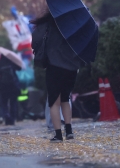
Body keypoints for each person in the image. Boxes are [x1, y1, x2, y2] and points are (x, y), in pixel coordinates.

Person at [30, 9, 84, 142]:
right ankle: (69, 131)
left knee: (54, 101)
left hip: (54, 66)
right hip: (71, 66)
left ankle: (58, 134)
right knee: (66, 98)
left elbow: (35, 42)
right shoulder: (71, 25)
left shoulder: (46, 25)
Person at [0, 54, 21, 125]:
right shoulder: (12, 61)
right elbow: (19, 68)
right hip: (13, 86)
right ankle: (12, 118)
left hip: (3, 87)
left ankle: (6, 115)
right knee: (13, 103)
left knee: (4, 103)